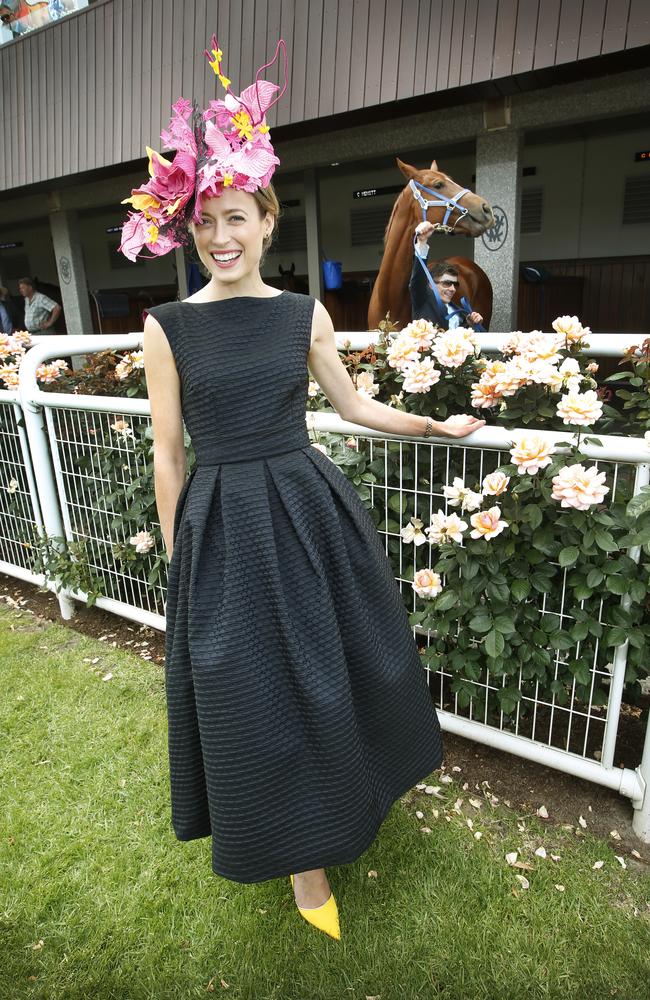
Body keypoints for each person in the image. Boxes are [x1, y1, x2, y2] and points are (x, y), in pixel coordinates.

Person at [122, 35, 485, 942]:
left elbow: (354, 403)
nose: (221, 237)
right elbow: (169, 455)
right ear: (187, 231)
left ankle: (345, 803)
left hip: (308, 514)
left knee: (339, 670)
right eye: (205, 223)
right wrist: (180, 560)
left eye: (236, 218)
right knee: (251, 688)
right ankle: (303, 866)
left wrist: (434, 423)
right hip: (222, 525)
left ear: (268, 221)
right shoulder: (165, 327)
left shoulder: (302, 313)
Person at [409, 219, 484, 329]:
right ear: (431, 285)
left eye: (455, 284)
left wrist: (470, 324)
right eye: (447, 283)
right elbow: (417, 279)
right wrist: (422, 243)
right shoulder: (423, 299)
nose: (453, 289)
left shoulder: (461, 313)